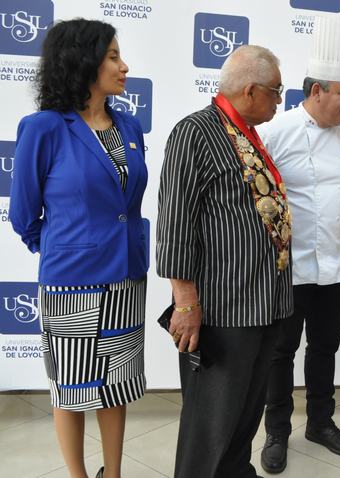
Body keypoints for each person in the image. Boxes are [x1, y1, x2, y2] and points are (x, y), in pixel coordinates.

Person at [9, 19, 148, 478]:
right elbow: (23, 215)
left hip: (127, 275)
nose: (124, 67)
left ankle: (114, 473)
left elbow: (127, 200)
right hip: (71, 284)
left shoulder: (129, 125)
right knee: (71, 387)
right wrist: (66, 248)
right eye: (113, 56)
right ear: (83, 61)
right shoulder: (44, 128)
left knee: (117, 385)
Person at [156, 45, 293, 478]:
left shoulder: (247, 135)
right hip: (223, 310)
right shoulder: (195, 132)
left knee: (244, 418)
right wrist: (185, 304)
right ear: (250, 90)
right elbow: (176, 224)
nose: (279, 100)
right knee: (210, 425)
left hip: (265, 304)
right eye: (276, 91)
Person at [257, 16, 340, 473]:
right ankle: (277, 432)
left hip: (337, 270)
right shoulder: (273, 133)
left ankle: (321, 423)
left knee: (324, 351)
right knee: (280, 354)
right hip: (287, 270)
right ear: (317, 91)